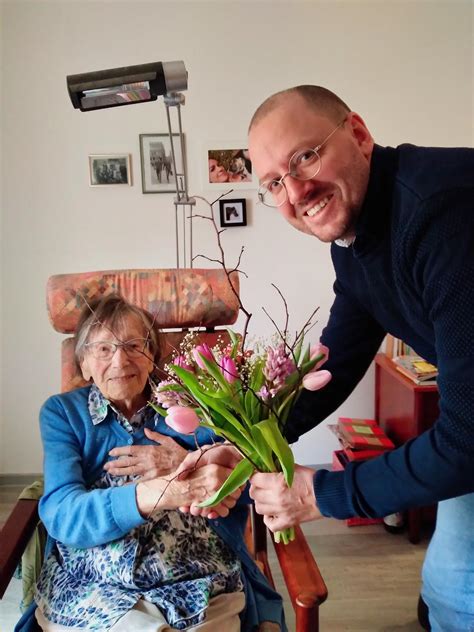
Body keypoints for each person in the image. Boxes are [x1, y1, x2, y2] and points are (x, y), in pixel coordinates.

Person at [185, 85, 474, 632]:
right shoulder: (358, 239)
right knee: (449, 590)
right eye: (274, 182)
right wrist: (246, 445)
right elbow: (336, 362)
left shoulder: (442, 213)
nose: (296, 189)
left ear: (359, 135)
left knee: (458, 596)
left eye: (305, 156)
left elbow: (466, 440)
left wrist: (323, 494)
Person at [16, 295, 285, 632]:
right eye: (103, 349)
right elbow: (62, 513)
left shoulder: (195, 404)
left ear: (152, 355)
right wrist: (158, 492)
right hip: (94, 584)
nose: (119, 361)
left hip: (198, 577)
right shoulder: (64, 414)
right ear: (83, 364)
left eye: (133, 345)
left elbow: (257, 486)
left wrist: (184, 460)